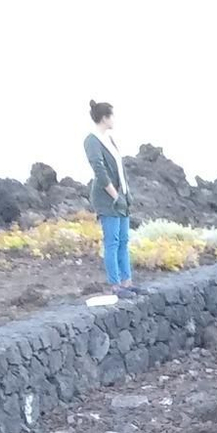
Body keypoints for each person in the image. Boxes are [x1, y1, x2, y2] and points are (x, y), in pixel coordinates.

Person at [83, 100, 135, 299]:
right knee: (112, 241)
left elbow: (119, 169)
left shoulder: (109, 138)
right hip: (107, 199)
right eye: (112, 115)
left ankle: (127, 282)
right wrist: (115, 196)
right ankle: (115, 285)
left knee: (123, 240)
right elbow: (99, 170)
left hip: (120, 196)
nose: (114, 119)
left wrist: (126, 193)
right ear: (104, 117)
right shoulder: (92, 140)